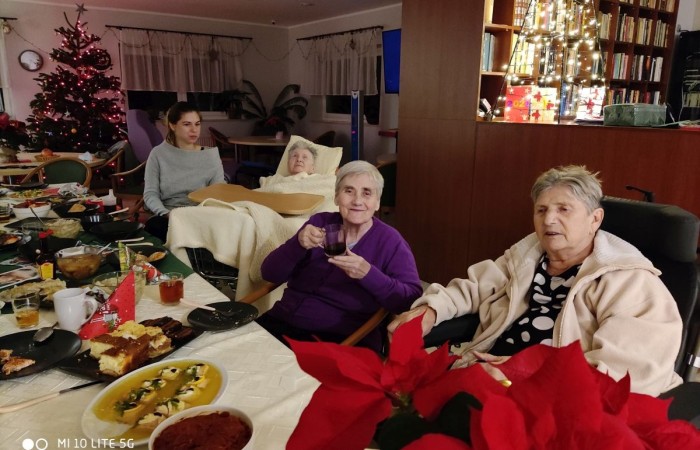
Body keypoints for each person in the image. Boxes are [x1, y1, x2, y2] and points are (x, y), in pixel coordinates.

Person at [388, 165, 683, 396]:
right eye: (541, 210)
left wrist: (528, 372)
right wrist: (430, 309)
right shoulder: (527, 255)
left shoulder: (628, 279)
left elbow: (627, 367)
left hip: (554, 393)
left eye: (563, 209)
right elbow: (473, 288)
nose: (549, 220)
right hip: (488, 368)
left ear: (595, 219)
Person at [257, 160, 423, 353]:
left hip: (341, 338)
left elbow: (410, 299)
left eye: (367, 193)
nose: (357, 201)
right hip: (281, 321)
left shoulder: (390, 241)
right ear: (336, 197)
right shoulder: (320, 222)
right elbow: (268, 273)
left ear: (377, 202)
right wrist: (297, 244)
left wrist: (368, 274)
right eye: (349, 191)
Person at [143, 102, 225, 241]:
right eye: (187, 124)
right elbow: (150, 194)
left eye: (197, 124)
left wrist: (202, 215)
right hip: (169, 215)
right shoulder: (158, 154)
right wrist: (166, 214)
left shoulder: (211, 155)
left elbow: (218, 193)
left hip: (202, 214)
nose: (194, 130)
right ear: (172, 125)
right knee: (155, 226)